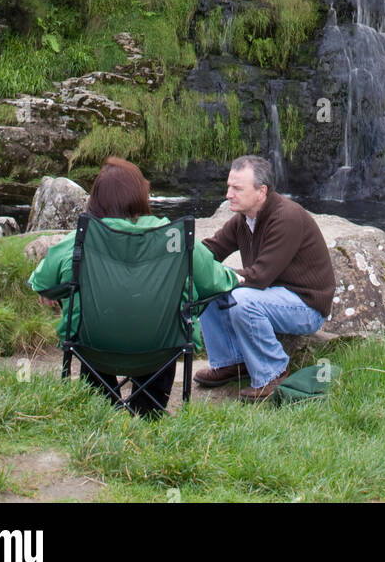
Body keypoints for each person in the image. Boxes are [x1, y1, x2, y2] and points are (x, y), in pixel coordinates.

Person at [28, 157, 238, 417]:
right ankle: (148, 410)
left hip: (93, 347)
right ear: (140, 195)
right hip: (161, 349)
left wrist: (49, 291)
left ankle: (101, 405)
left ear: (96, 198)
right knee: (168, 320)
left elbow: (41, 281)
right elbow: (214, 282)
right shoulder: (174, 236)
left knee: (89, 319)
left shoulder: (82, 238)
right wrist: (235, 279)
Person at [195, 155, 336, 402]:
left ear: (261, 191)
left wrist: (214, 275)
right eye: (229, 187)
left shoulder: (286, 217)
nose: (228, 194)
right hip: (271, 297)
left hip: (306, 306)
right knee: (208, 285)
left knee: (240, 297)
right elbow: (211, 250)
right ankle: (232, 362)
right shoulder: (244, 219)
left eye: (237, 188)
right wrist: (180, 256)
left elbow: (259, 277)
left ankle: (274, 372)